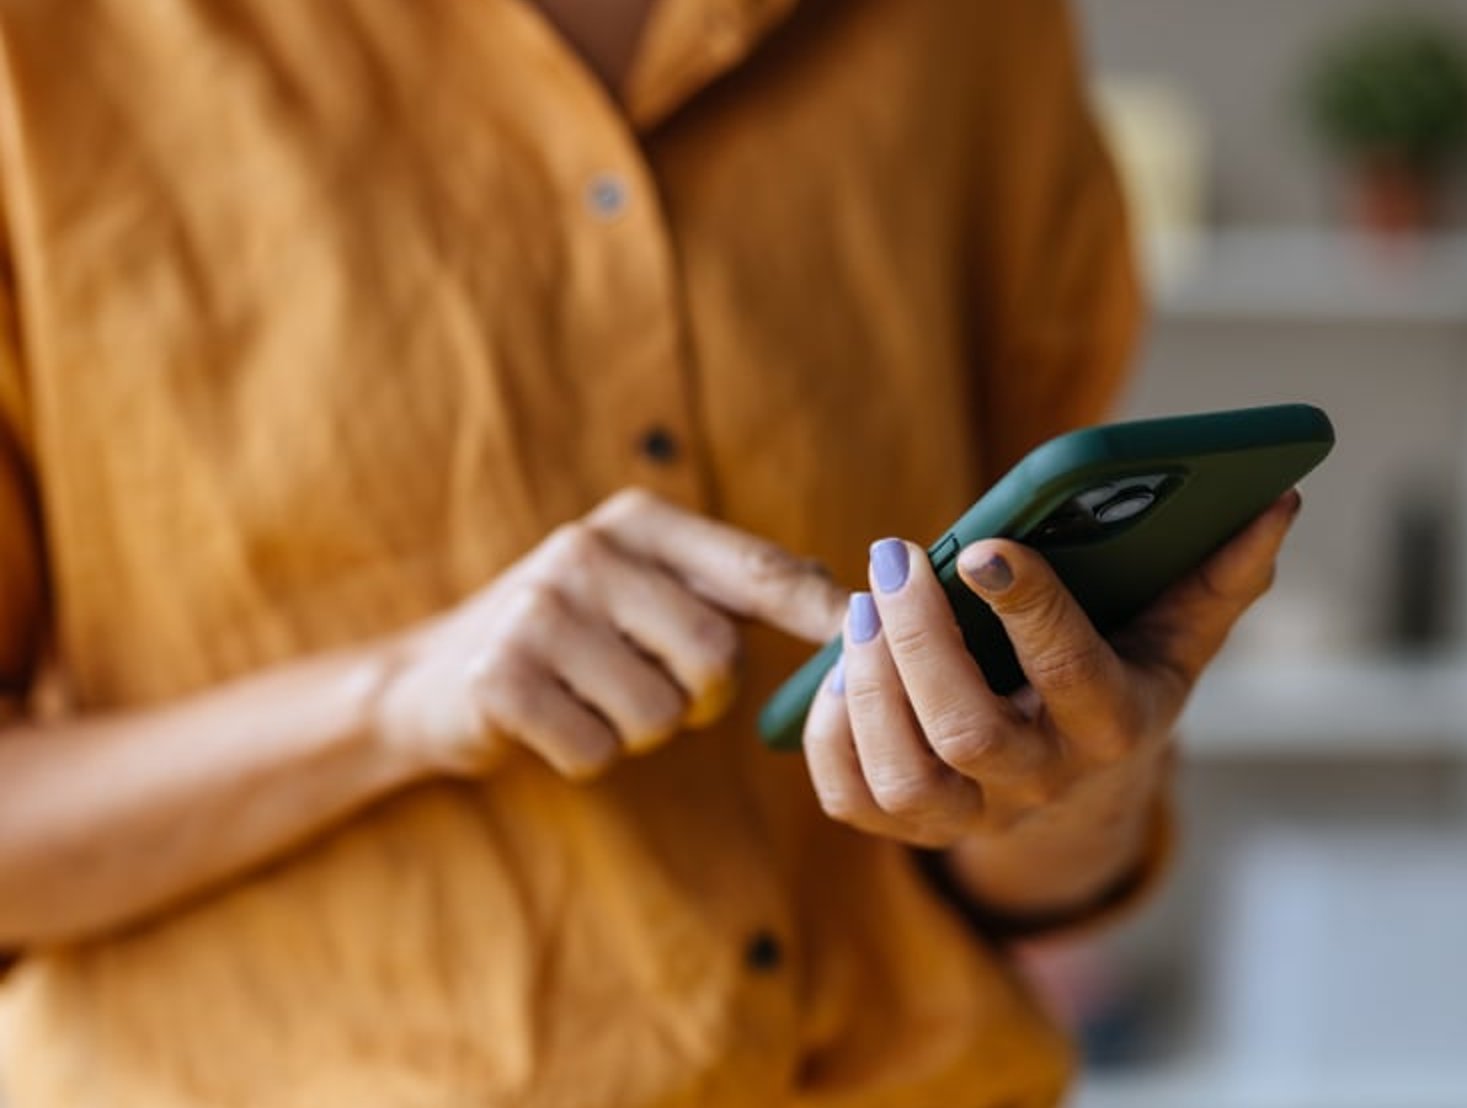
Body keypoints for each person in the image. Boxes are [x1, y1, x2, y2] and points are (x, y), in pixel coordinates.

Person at [0, 1, 1300, 1105]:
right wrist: (392, 700)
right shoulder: (48, 52)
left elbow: (1036, 873)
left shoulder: (968, 31)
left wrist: (1074, 777)